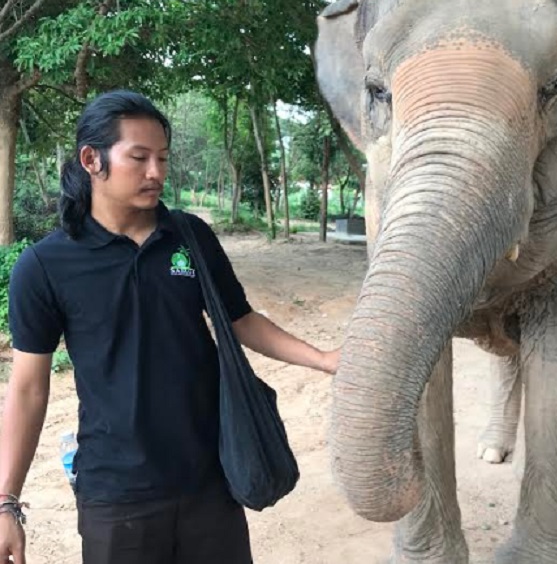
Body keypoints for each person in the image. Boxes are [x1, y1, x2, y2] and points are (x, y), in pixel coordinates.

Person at [0, 90, 340, 564]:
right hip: (116, 496)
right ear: (91, 160)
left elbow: (241, 320)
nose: (156, 172)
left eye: (162, 158)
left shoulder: (189, 236)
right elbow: (28, 389)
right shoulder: (45, 266)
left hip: (211, 480)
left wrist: (324, 360)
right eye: (139, 158)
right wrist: (6, 503)